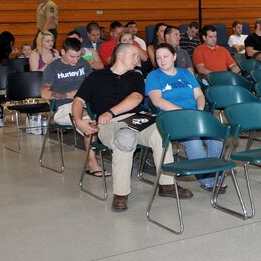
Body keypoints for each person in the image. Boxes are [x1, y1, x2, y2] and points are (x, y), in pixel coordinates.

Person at [71, 44, 192, 212]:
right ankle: (121, 194)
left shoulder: (135, 76)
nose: (138, 59)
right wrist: (78, 120)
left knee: (161, 132)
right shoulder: (96, 77)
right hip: (110, 125)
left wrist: (110, 112)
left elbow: (136, 98)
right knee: (125, 137)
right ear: (120, 56)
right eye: (134, 55)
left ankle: (167, 185)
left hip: (136, 118)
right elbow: (78, 101)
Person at [146, 43, 224, 192]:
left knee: (216, 140)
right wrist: (184, 113)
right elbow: (157, 101)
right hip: (172, 118)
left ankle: (214, 176)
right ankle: (207, 180)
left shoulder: (186, 74)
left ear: (174, 57)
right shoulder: (153, 76)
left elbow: (199, 95)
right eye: (158, 58)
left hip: (195, 115)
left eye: (166, 56)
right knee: (194, 142)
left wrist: (199, 110)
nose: (162, 61)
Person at [41, 37, 105, 173]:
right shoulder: (53, 68)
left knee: (97, 119)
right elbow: (44, 94)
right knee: (89, 122)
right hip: (64, 108)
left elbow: (92, 85)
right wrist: (70, 95)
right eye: (72, 57)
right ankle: (93, 162)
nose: (76, 60)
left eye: (78, 56)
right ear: (62, 52)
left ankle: (96, 156)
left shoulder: (84, 64)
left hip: (85, 104)